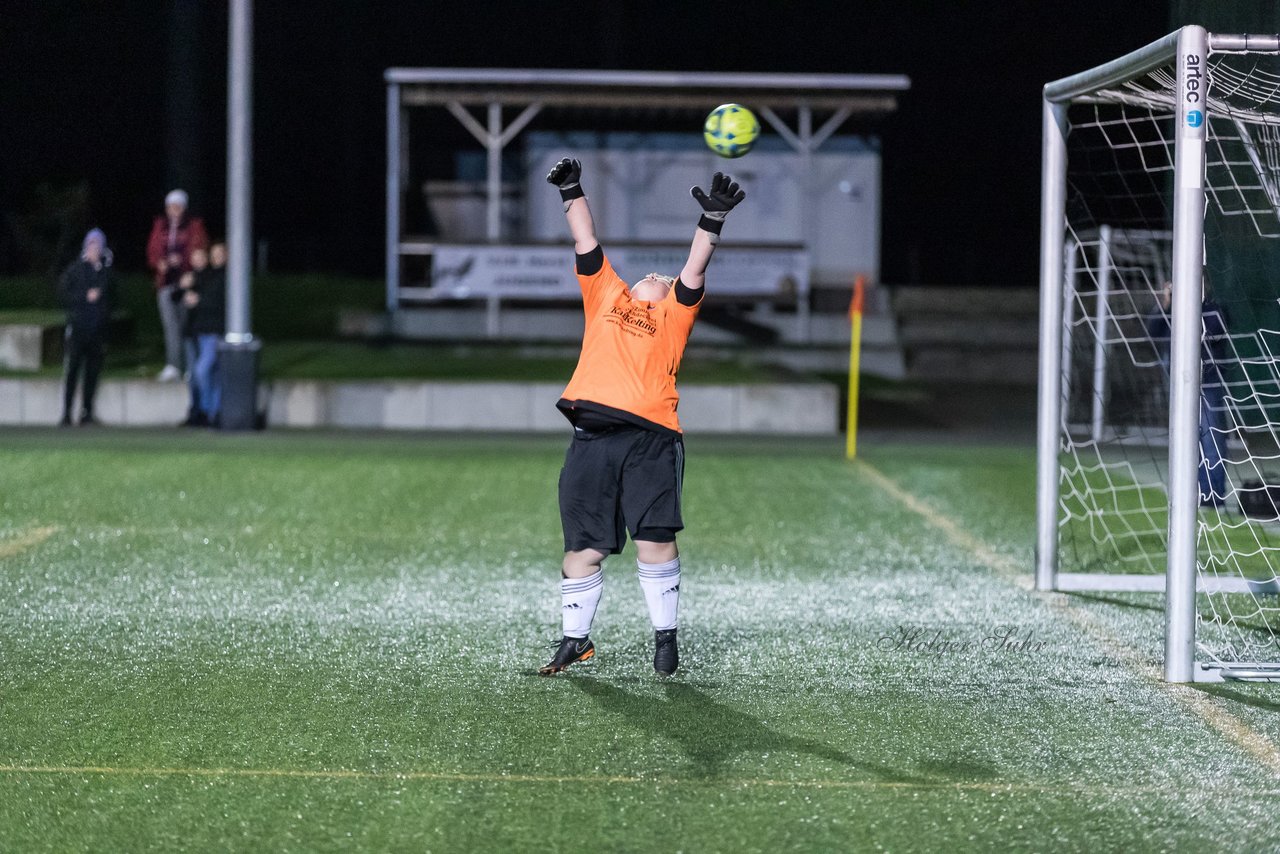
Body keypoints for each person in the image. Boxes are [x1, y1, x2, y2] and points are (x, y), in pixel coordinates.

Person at [538, 158, 745, 677]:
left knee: (655, 540)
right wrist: (571, 186)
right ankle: (575, 640)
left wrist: (713, 219)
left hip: (651, 439)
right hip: (592, 438)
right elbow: (585, 239)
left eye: (664, 276)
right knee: (582, 548)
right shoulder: (606, 294)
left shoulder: (674, 315)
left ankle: (665, 640)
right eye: (649, 273)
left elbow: (695, 267)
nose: (656, 275)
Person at [1147, 280, 1231, 507]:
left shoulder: (1212, 307)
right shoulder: (1172, 308)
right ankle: (1187, 493)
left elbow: (1214, 331)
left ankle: (1212, 495)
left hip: (1207, 383)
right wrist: (1166, 304)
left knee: (1210, 437)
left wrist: (1190, 306)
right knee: (1183, 438)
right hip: (1179, 384)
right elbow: (1153, 330)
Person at [146, 189, 207, 381]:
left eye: (178, 206)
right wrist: (160, 262)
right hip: (166, 283)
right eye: (171, 206)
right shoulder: (160, 227)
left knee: (186, 325)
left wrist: (183, 261)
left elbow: (200, 250)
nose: (174, 209)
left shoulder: (194, 226)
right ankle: (173, 365)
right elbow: (152, 252)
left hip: (186, 282)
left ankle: (190, 366)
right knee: (170, 327)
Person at [57, 228, 115, 426]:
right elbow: (63, 293)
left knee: (92, 372)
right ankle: (66, 413)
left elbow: (112, 297)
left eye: (97, 245)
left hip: (97, 330)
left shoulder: (106, 272)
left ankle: (87, 413)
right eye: (91, 245)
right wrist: (84, 297)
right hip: (78, 328)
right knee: (72, 371)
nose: (94, 249)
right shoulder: (74, 270)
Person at [180, 241, 226, 426]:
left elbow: (217, 300)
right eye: (214, 254)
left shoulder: (226, 276)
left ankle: (208, 409)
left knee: (202, 370)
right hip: (201, 331)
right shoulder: (206, 276)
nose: (217, 258)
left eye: (220, 254)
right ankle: (211, 412)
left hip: (215, 330)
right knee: (210, 373)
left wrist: (198, 299)